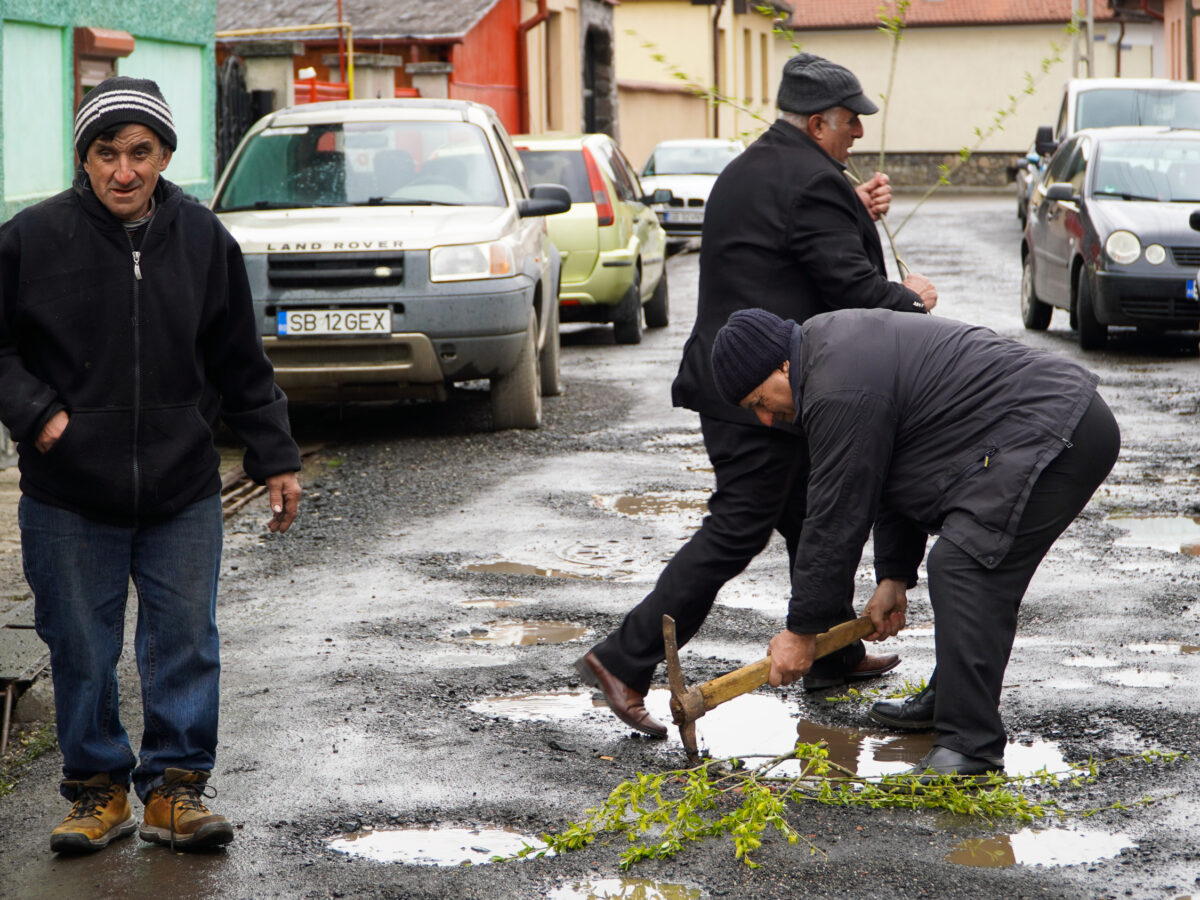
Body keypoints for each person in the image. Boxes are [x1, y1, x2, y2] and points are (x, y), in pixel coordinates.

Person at [576, 52, 938, 737]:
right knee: (739, 525)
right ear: (816, 121)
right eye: (850, 121)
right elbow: (851, 290)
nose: (858, 133)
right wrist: (911, 299)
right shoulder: (810, 184)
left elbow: (784, 243)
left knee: (806, 514)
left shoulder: (763, 166)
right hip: (758, 391)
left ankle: (833, 651)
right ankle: (623, 660)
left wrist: (851, 210)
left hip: (744, 377)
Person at [0, 77, 303, 852]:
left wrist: (274, 454)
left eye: (140, 152)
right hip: (67, 488)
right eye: (106, 153)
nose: (124, 171)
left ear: (165, 155)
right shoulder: (31, 239)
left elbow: (240, 360)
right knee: (80, 643)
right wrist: (38, 415)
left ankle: (175, 790)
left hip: (181, 486)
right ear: (85, 158)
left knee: (184, 640)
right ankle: (96, 792)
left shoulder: (205, 240)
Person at [709, 308, 1119, 776]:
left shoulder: (837, 386)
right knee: (965, 563)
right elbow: (886, 471)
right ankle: (952, 700)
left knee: (964, 566)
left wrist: (801, 633)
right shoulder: (831, 355)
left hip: (1058, 429)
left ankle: (970, 747)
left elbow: (836, 515)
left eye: (760, 400)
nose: (765, 418)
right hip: (1046, 422)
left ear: (781, 365)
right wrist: (893, 576)